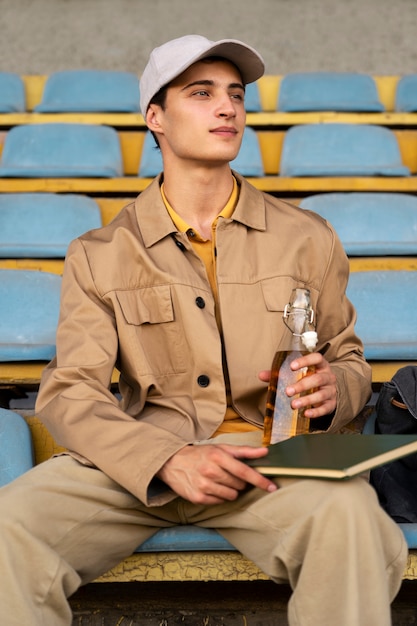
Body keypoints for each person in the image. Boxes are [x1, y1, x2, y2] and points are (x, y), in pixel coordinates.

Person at [0, 35, 407, 625]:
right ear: (155, 118)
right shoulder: (99, 253)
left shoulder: (309, 236)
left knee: (351, 521)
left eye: (236, 95)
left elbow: (347, 358)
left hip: (269, 463)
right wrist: (166, 459)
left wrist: (333, 390)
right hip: (135, 464)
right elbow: (71, 392)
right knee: (8, 529)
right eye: (202, 93)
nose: (228, 108)